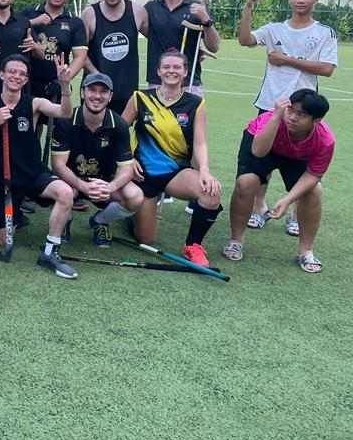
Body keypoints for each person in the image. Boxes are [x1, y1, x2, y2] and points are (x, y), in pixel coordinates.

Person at [236, 0, 338, 234]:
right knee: (263, 161)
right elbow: (245, 40)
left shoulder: (324, 33)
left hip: (304, 112)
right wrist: (248, 7)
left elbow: (327, 68)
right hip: (270, 105)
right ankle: (259, 208)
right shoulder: (274, 29)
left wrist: (286, 60)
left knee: (300, 164)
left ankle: (295, 213)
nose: (301, 0)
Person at [120, 50, 223, 266]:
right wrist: (128, 158)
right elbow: (118, 132)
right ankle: (132, 216)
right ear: (158, 71)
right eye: (166, 67)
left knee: (210, 193)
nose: (171, 71)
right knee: (145, 238)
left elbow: (200, 142)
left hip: (176, 173)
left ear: (185, 72)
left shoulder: (196, 103)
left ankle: (193, 245)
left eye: (177, 67)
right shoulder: (140, 97)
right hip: (143, 175)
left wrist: (204, 169)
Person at [0, 54, 77, 278]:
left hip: (33, 174)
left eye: (22, 74)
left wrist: (64, 86)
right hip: (3, 181)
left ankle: (50, 250)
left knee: (65, 193)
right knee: (3, 239)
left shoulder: (33, 103)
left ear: (26, 80)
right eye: (12, 71)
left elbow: (65, 112)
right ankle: (17, 214)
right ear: (2, 74)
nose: (17, 76)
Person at [222, 90, 334, 274]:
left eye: (302, 114)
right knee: (246, 182)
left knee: (314, 191)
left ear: (316, 121)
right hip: (263, 142)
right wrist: (276, 118)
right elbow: (258, 152)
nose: (293, 117)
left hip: (298, 154)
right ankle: (236, 240)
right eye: (291, 110)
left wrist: (288, 199)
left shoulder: (325, 140)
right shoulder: (272, 119)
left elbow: (313, 175)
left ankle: (306, 251)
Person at [50, 73, 144, 247]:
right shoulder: (66, 121)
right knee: (63, 191)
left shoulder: (119, 125)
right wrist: (82, 185)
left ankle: (100, 221)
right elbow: (58, 165)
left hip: (104, 181)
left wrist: (111, 187)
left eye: (103, 92)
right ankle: (64, 221)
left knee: (135, 197)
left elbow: (126, 168)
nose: (97, 96)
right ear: (83, 92)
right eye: (92, 90)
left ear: (110, 96)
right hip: (71, 179)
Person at [142, 0, 220, 93]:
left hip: (188, 83)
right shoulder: (150, 8)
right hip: (157, 82)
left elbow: (214, 47)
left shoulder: (196, 7)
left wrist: (206, 20)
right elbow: (144, 31)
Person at [81, 0, 148, 114]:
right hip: (96, 92)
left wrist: (193, 50)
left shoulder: (138, 12)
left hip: (126, 91)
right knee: (91, 133)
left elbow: (158, 40)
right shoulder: (89, 14)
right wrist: (97, 74)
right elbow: (80, 53)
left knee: (122, 133)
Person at [17, 0, 87, 102]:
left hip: (56, 87)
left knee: (57, 122)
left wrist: (63, 79)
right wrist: (33, 22)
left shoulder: (75, 22)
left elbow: (80, 57)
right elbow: (12, 31)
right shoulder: (28, 12)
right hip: (27, 84)